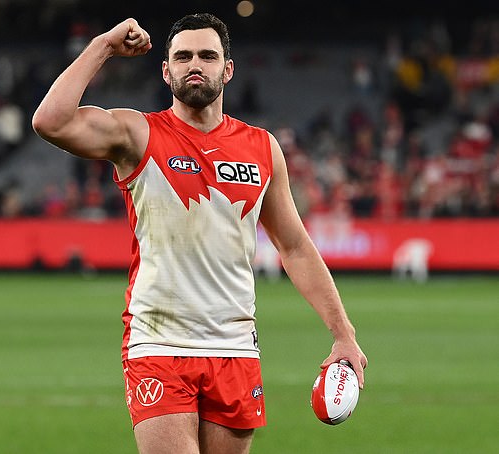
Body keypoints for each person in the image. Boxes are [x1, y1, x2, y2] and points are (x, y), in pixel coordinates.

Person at [32, 13, 368, 454]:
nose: (196, 64)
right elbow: (50, 122)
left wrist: (344, 333)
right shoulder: (138, 134)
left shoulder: (262, 148)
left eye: (208, 56)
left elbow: (295, 247)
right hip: (158, 341)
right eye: (183, 56)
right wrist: (104, 46)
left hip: (234, 347)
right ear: (165, 70)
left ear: (227, 69)